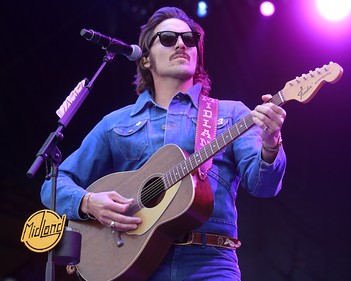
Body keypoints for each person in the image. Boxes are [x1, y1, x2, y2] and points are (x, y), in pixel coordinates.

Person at [41, 6, 287, 281]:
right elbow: (54, 183)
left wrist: (270, 141)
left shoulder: (231, 114)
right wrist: (89, 202)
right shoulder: (115, 123)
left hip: (210, 264)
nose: (181, 43)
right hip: (130, 262)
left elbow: (264, 187)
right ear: (145, 59)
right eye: (168, 38)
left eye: (189, 39)